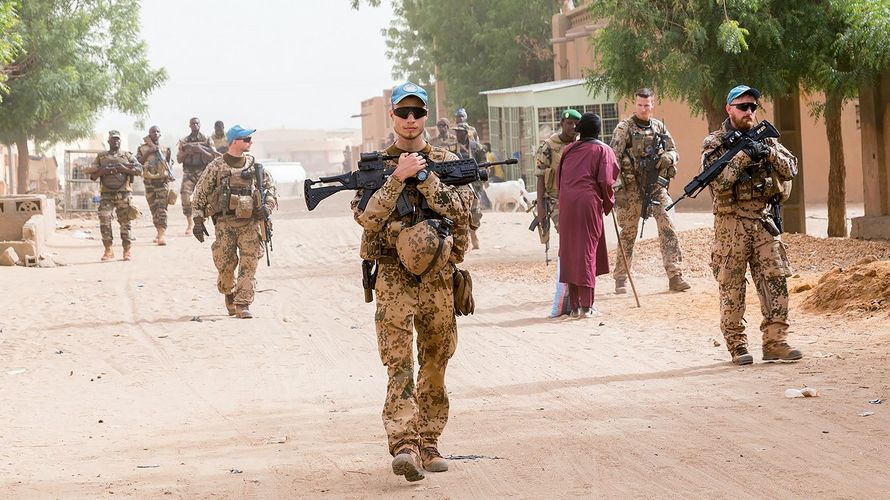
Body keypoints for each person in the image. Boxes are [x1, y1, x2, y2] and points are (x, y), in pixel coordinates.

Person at [352, 82, 475, 482]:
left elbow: (463, 214)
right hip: (393, 278)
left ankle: (429, 439)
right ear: (392, 115)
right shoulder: (374, 166)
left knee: (437, 359)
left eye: (417, 113)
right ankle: (404, 443)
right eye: (403, 113)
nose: (410, 120)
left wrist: (424, 178)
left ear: (425, 116)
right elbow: (368, 218)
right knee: (399, 362)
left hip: (438, 279)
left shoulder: (446, 161)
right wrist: (396, 178)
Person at [702, 85, 802, 365]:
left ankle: (775, 342)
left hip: (762, 220)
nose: (748, 112)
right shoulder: (715, 143)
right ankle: (737, 346)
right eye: (742, 106)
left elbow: (791, 167)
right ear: (729, 109)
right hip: (731, 224)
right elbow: (719, 183)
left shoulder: (766, 139)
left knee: (775, 280)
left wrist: (767, 153)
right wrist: (744, 155)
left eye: (752, 107)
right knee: (732, 286)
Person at [190, 125, 277, 320]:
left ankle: (243, 303)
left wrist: (267, 207)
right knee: (226, 264)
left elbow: (271, 189)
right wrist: (197, 220)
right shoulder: (216, 166)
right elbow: (200, 195)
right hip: (225, 224)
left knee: (250, 263)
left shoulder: (255, 167)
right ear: (235, 141)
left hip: (250, 224)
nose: (250, 142)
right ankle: (229, 293)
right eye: (246, 139)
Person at [610, 88, 690, 293]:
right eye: (640, 105)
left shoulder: (659, 126)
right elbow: (612, 160)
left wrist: (668, 158)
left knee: (668, 224)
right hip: (632, 188)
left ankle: (675, 274)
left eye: (647, 105)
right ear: (634, 104)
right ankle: (621, 277)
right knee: (628, 232)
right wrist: (618, 190)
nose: (643, 109)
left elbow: (674, 151)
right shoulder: (624, 128)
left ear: (653, 104)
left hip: (656, 186)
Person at [557, 113, 619, 317]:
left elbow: (559, 179)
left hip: (566, 205)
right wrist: (609, 202)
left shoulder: (568, 149)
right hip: (587, 203)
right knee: (586, 251)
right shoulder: (603, 150)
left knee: (570, 251)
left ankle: (574, 307)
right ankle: (587, 306)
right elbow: (607, 181)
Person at [535, 109, 580, 317]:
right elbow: (540, 176)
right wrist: (541, 207)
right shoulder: (549, 146)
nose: (572, 127)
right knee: (567, 236)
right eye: (569, 123)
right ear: (562, 123)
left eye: (575, 124)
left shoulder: (580, 144)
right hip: (555, 200)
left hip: (576, 199)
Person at [83, 130, 143, 262]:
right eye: (113, 139)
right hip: (106, 195)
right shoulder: (101, 157)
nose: (116, 141)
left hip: (124, 194)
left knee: (125, 222)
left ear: (120, 141)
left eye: (118, 139)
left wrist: (124, 169)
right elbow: (92, 175)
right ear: (108, 141)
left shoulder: (127, 156)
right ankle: (108, 250)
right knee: (104, 220)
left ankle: (127, 250)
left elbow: (140, 170)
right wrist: (104, 171)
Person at [177, 117, 219, 236]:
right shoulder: (184, 141)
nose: (195, 125)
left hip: (203, 172)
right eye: (192, 123)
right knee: (185, 196)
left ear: (200, 125)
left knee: (210, 197)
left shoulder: (207, 139)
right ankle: (190, 223)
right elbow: (179, 159)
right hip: (189, 173)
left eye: (197, 123)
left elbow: (213, 156)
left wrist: (200, 150)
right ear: (189, 125)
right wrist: (187, 152)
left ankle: (207, 221)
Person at [136, 125, 174, 246]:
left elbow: (169, 164)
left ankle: (162, 234)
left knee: (162, 208)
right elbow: (138, 163)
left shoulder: (165, 149)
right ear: (149, 134)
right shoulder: (142, 148)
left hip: (162, 182)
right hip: (149, 183)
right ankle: (158, 230)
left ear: (160, 134)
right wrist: (148, 152)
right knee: (153, 209)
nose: (155, 133)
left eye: (158, 131)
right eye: (153, 132)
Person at [454, 122, 486, 247]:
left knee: (475, 211)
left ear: (466, 133)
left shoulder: (476, 147)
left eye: (460, 132)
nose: (457, 134)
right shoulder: (452, 148)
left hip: (475, 183)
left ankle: (473, 233)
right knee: (460, 210)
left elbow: (484, 162)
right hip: (458, 183)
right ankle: (465, 237)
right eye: (456, 132)